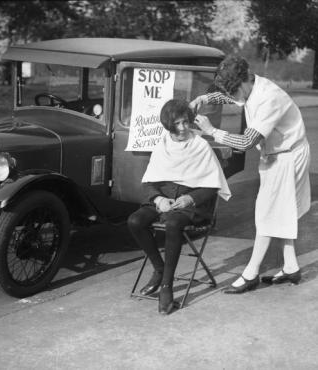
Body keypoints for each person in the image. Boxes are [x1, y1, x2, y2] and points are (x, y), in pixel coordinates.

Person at [189, 55, 311, 294]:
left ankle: (251, 273)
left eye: (233, 91)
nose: (232, 97)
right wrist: (204, 97)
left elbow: (245, 141)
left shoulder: (269, 98)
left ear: (244, 81)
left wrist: (212, 131)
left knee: (266, 215)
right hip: (276, 154)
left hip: (287, 156)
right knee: (281, 213)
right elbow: (230, 96)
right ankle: (291, 266)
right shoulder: (250, 86)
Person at [127, 99, 231, 315]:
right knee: (135, 221)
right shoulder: (162, 144)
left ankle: (167, 285)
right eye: (177, 124)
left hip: (191, 205)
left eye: (186, 122)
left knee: (174, 224)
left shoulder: (200, 145)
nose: (183, 128)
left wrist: (190, 199)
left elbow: (213, 185)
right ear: (168, 126)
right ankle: (159, 268)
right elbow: (149, 182)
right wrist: (157, 199)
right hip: (164, 199)